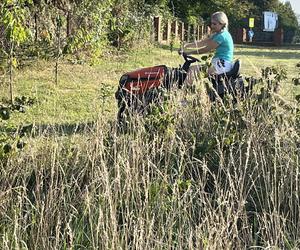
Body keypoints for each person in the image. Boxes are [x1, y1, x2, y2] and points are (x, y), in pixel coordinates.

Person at [181, 11, 234, 76]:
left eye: (214, 24)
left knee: (193, 70)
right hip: (219, 63)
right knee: (194, 70)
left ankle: (186, 86)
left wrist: (189, 52)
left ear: (222, 24)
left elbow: (206, 49)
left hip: (222, 65)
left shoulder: (222, 36)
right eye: (212, 24)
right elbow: (203, 42)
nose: (212, 26)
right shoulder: (218, 34)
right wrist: (187, 45)